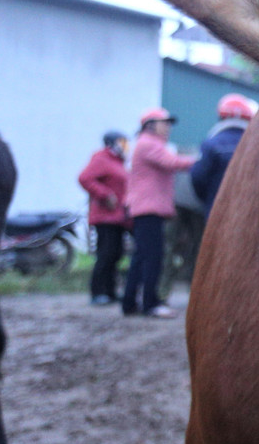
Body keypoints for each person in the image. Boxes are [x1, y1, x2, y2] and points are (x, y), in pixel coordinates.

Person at [123, 107, 194, 319]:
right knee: (153, 257)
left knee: (141, 257)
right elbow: (174, 162)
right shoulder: (149, 144)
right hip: (149, 210)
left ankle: (130, 303)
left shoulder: (147, 143)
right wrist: (203, 160)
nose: (168, 127)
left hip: (145, 209)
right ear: (150, 125)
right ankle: (150, 304)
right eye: (165, 122)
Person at [77, 131, 131, 305]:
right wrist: (105, 194)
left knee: (115, 254)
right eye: (122, 143)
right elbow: (84, 178)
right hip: (105, 217)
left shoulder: (118, 161)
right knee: (105, 255)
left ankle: (110, 291)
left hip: (118, 217)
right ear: (112, 143)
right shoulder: (101, 158)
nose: (126, 146)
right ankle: (98, 292)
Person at [191, 93, 257, 217]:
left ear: (221, 117)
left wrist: (209, 199)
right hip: (250, 215)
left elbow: (197, 177)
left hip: (216, 212)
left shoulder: (210, 144)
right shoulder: (258, 146)